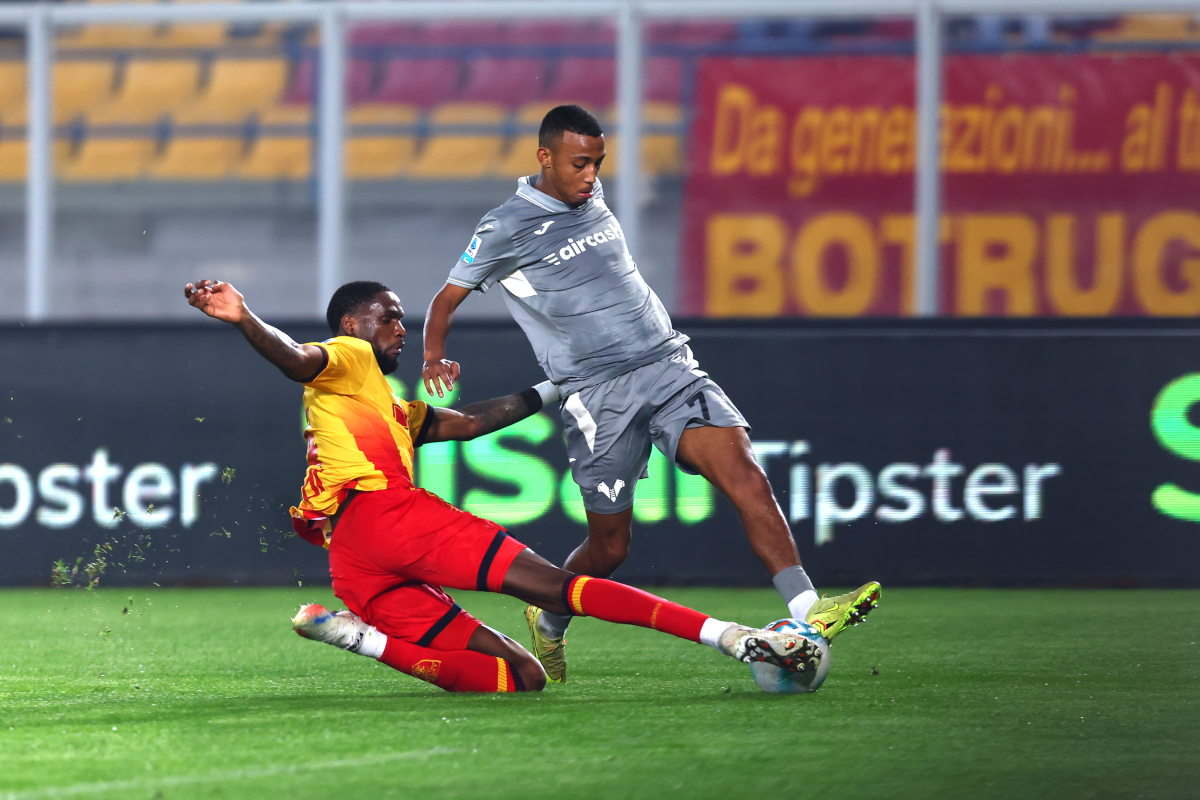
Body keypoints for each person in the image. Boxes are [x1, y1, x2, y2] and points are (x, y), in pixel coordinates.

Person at [422, 104, 880, 684]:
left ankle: (807, 609)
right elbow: (446, 299)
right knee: (610, 550)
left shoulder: (592, 197)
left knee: (746, 474)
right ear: (544, 158)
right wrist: (433, 356)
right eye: (580, 164)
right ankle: (549, 616)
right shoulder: (505, 226)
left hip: (668, 365)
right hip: (598, 394)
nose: (592, 175)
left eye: (598, 162)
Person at [184, 277, 821, 693]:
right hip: (389, 517)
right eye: (389, 319)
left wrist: (558, 385)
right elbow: (297, 358)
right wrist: (245, 318)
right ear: (353, 324)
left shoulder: (386, 405)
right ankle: (736, 638)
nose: (401, 329)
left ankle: (360, 638)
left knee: (520, 675)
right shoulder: (347, 356)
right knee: (560, 588)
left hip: (353, 559)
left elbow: (470, 422)